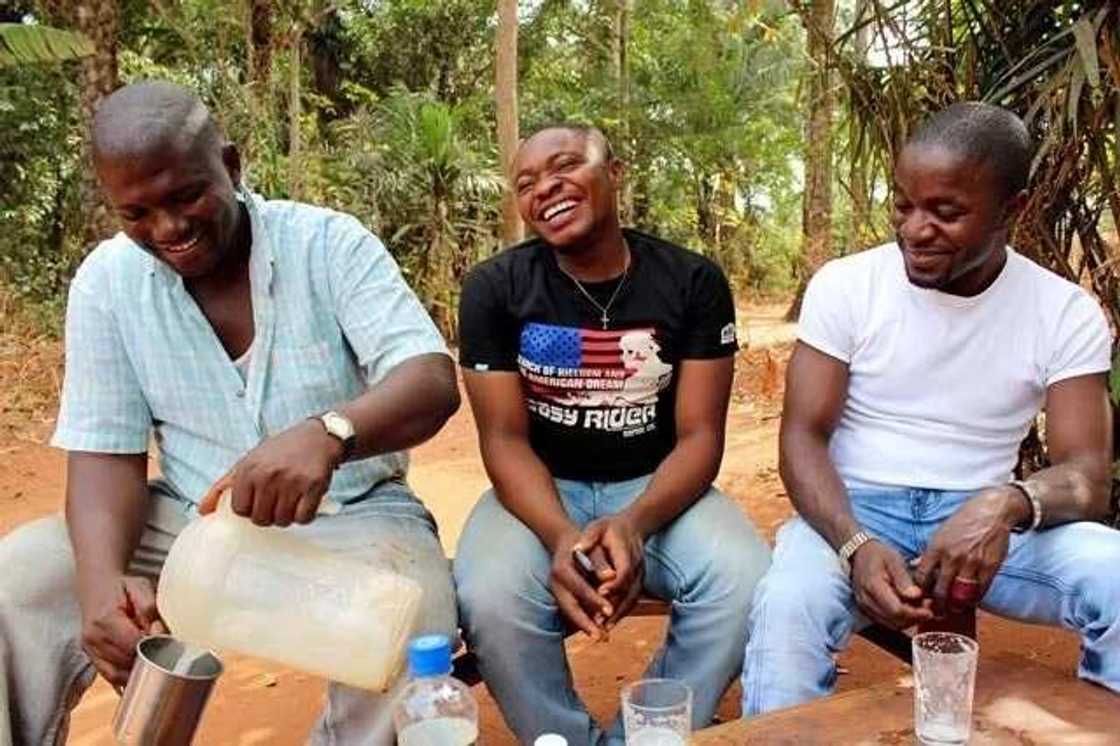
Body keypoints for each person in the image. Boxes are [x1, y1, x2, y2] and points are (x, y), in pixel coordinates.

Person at [0, 81, 460, 745]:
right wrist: (103, 587)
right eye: (136, 213)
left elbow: (430, 377)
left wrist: (330, 433)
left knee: (417, 630)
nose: (168, 229)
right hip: (191, 522)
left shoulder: (329, 245)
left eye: (186, 195)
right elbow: (105, 453)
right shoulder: (107, 283)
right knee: (19, 579)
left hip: (359, 518)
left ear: (233, 165)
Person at [741, 102, 1120, 715]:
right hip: (852, 510)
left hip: (983, 524)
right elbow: (802, 439)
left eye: (947, 212)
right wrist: (854, 544)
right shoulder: (847, 286)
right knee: (791, 604)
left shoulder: (1062, 312)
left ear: (1012, 210)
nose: (915, 230)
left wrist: (1007, 504)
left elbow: (1087, 475)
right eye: (904, 205)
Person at [453, 124, 771, 744]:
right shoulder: (495, 288)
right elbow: (503, 440)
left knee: (746, 579)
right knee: (490, 596)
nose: (547, 188)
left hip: (659, 490)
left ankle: (643, 737)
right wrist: (559, 535)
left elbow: (701, 437)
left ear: (615, 173)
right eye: (526, 184)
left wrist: (635, 521)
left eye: (565, 166)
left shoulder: (691, 282)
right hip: (539, 495)